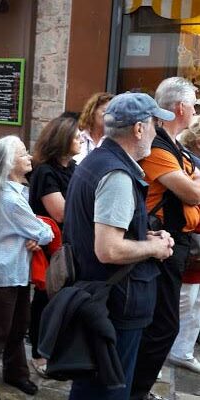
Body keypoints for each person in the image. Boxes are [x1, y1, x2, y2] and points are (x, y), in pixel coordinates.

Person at [64, 92, 175, 400]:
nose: (157, 131)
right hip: (116, 303)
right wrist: (153, 249)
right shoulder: (116, 174)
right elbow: (108, 249)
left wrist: (145, 237)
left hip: (102, 299)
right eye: (154, 123)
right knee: (110, 390)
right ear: (138, 129)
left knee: (92, 386)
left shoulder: (97, 161)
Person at [131, 78, 200, 400]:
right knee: (162, 325)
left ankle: (137, 388)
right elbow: (192, 191)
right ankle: (136, 390)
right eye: (194, 105)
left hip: (173, 243)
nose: (196, 111)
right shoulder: (159, 147)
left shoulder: (176, 147)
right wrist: (192, 183)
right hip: (162, 243)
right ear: (181, 108)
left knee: (158, 323)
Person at [0, 135, 53, 400]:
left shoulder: (18, 191)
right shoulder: (10, 198)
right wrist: (39, 232)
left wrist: (34, 232)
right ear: (9, 164)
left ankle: (15, 372)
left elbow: (34, 230)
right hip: (5, 272)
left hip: (17, 269)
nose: (29, 156)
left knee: (19, 325)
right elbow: (44, 233)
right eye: (22, 153)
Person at [28, 116, 81, 375]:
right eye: (75, 135)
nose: (80, 138)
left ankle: (54, 347)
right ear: (62, 139)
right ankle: (39, 353)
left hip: (70, 245)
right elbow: (60, 212)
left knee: (63, 299)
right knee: (45, 299)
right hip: (51, 248)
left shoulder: (73, 168)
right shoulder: (45, 171)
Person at [168, 116, 200, 374]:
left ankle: (182, 350)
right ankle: (166, 351)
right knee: (182, 302)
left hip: (194, 242)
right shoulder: (187, 159)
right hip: (190, 240)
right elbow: (192, 195)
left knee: (195, 303)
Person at [74, 92, 114, 164]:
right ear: (92, 111)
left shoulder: (115, 140)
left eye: (112, 112)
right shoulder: (77, 136)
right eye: (105, 111)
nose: (109, 115)